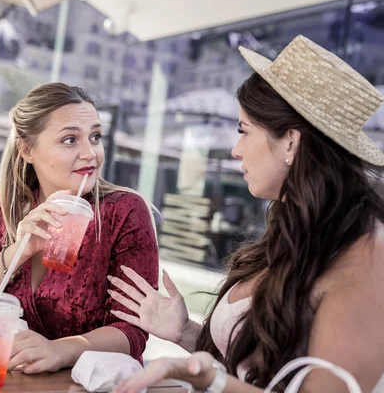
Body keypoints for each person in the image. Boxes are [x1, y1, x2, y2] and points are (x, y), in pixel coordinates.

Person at [108, 35, 384, 393]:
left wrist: (212, 380)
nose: (236, 150)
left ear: (291, 141)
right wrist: (185, 332)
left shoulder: (369, 256)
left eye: (244, 130)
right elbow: (254, 372)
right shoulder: (300, 227)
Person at [0, 83, 159, 374]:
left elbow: (132, 332)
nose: (90, 153)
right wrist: (19, 250)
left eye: (95, 136)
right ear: (27, 150)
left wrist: (61, 350)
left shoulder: (124, 212)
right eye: (70, 140)